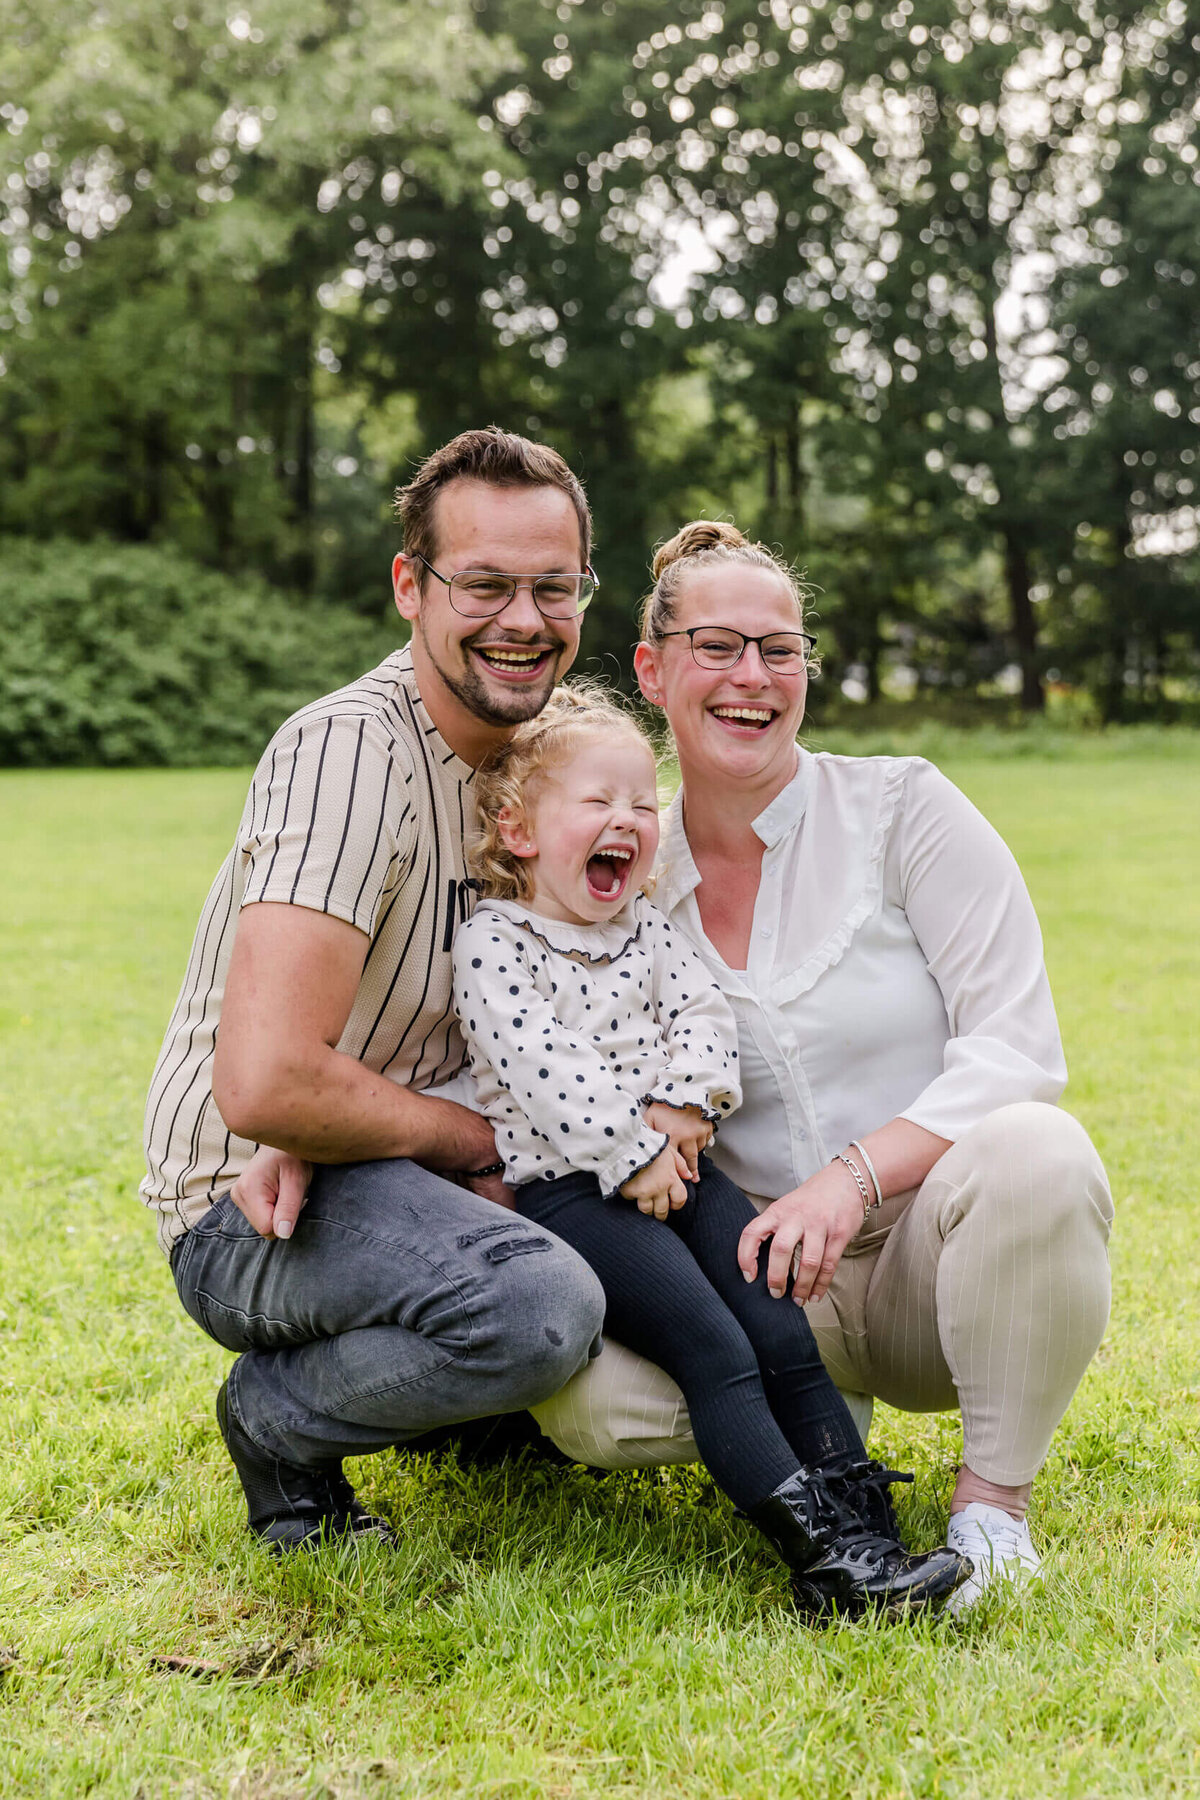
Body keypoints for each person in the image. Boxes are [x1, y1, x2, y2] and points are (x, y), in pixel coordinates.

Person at [531, 521, 1114, 1614]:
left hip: (939, 1264)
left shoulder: (905, 808)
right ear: (652, 669)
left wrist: (849, 1181)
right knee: (591, 1408)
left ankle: (991, 1512)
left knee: (1043, 1149)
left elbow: (1016, 1047)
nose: (754, 678)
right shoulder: (618, 873)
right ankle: (823, 1433)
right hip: (767, 1288)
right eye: (718, 646)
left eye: (781, 649)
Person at [140, 428, 608, 1549]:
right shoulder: (348, 754)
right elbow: (266, 1084)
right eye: (485, 584)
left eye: (555, 587)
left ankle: (466, 1407)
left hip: (416, 1160)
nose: (525, 620)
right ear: (411, 585)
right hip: (251, 1202)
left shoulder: (543, 755)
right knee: (539, 1305)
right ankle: (280, 1425)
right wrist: (469, 1142)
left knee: (669, 1198)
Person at [450, 685, 970, 1616]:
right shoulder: (497, 945)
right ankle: (824, 1563)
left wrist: (687, 1108)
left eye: (642, 805)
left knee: (778, 1323)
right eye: (598, 803)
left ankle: (867, 1529)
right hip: (577, 1193)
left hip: (683, 1167)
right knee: (715, 1346)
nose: (628, 820)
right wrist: (633, 1149)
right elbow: (544, 1069)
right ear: (518, 829)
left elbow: (701, 1016)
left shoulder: (644, 929)